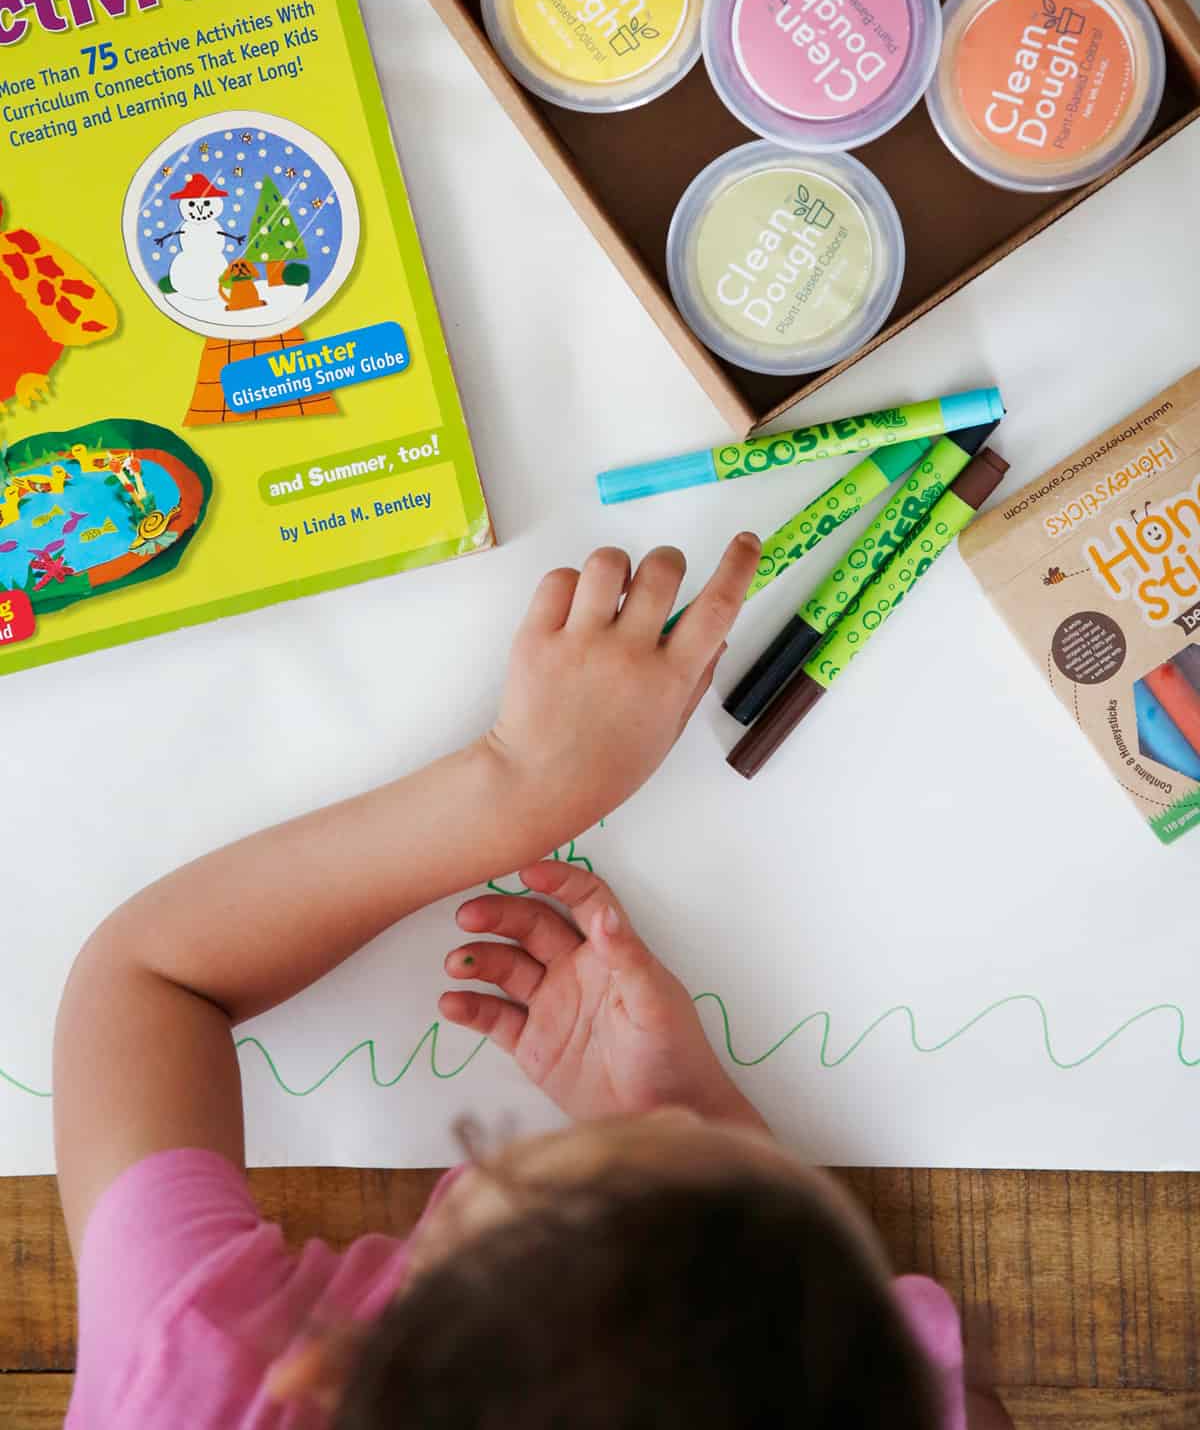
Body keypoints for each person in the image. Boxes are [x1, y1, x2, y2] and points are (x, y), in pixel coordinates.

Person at [55, 539, 1012, 1429]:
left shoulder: (196, 1391)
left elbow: (148, 979)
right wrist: (704, 1115)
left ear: (322, 1379)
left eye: (510, 1175)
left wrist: (516, 789)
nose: (674, 1133)